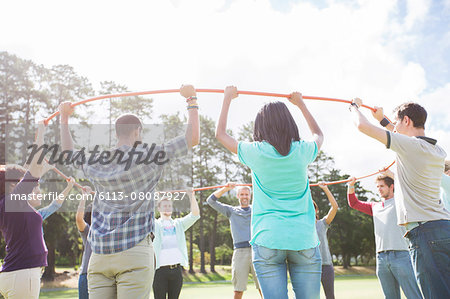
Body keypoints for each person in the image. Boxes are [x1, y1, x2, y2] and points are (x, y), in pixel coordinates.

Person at [59, 84, 199, 299]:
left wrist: (64, 118)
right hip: (135, 251)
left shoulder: (97, 161)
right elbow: (192, 139)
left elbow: (68, 153)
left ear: (116, 133)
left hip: (99, 255)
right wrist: (191, 100)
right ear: (137, 131)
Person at [216, 86, 324, 299]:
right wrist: (301, 104)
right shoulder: (302, 150)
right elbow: (318, 134)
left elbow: (220, 134)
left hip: (268, 238)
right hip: (303, 238)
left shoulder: (255, 152)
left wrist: (227, 98)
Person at [349, 99, 449, 298]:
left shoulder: (410, 146)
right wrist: (383, 119)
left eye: (397, 122)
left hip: (424, 232)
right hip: (443, 229)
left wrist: (354, 107)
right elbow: (397, 132)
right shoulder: (437, 150)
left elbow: (362, 126)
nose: (395, 126)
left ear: (406, 120)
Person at [347, 175, 422, 299]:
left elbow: (405, 187)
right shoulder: (375, 206)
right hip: (381, 258)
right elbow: (354, 203)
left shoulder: (400, 202)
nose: (379, 189)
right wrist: (350, 186)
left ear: (392, 187)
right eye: (377, 187)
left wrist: (388, 172)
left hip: (401, 256)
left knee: (413, 296)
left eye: (382, 186)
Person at [0, 122, 53, 298]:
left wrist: (42, 170)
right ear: (13, 185)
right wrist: (41, 132)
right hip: (22, 273)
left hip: (15, 273)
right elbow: (34, 170)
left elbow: (34, 174)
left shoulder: (9, 204)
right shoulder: (13, 202)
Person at [206, 183, 262, 299]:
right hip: (240, 253)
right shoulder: (231, 211)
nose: (244, 197)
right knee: (238, 290)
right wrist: (226, 189)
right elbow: (210, 201)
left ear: (250, 196)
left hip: (258, 251)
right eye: (242, 194)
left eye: (246, 194)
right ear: (237, 196)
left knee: (263, 288)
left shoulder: (257, 209)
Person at [152, 191, 199, 299]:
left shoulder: (178, 224)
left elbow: (195, 215)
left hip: (176, 270)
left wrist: (191, 195)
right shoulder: (155, 224)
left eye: (169, 206)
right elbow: (145, 214)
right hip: (159, 271)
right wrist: (150, 195)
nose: (167, 208)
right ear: (159, 209)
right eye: (164, 206)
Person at [313, 182, 338, 299]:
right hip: (310, 266)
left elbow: (334, 207)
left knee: (330, 296)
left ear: (316, 211)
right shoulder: (300, 226)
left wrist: (325, 189)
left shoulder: (322, 224)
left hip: (326, 266)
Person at [76, 186, 93, 299]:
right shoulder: (88, 230)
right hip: (86, 276)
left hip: (104, 276)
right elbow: (79, 219)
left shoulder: (109, 230)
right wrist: (84, 196)